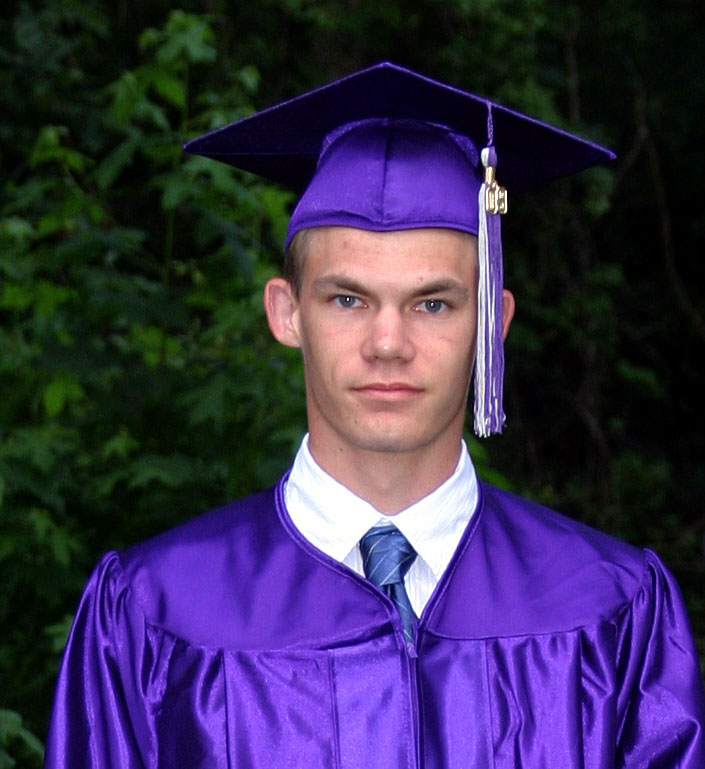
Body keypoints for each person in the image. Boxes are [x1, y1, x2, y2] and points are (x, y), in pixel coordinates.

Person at [44, 62, 705, 769]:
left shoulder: (609, 611)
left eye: (433, 303)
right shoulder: (155, 615)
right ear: (286, 313)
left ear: (493, 320)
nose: (388, 343)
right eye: (348, 299)